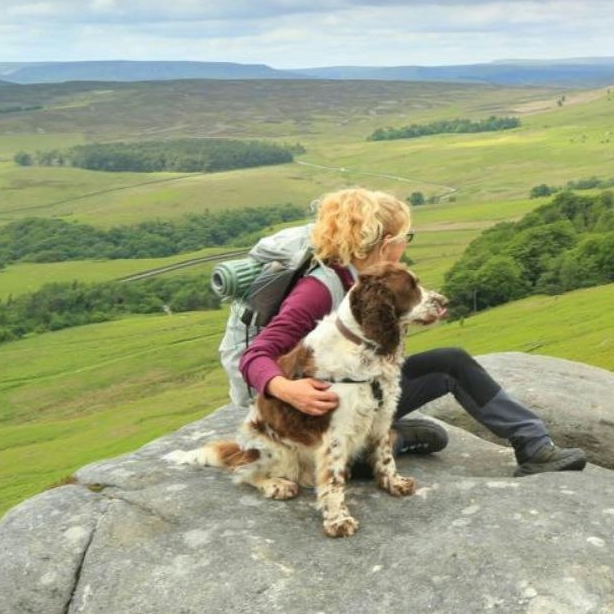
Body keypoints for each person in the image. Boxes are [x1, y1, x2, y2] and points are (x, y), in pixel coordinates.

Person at [238, 187, 586, 476]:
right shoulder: (318, 290)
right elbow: (256, 355)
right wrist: (286, 389)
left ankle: (534, 445)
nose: (408, 244)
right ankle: (382, 446)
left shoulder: (366, 278)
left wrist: (414, 314)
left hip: (357, 393)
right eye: (407, 237)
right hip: (319, 418)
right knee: (395, 445)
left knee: (451, 363)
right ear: (387, 242)